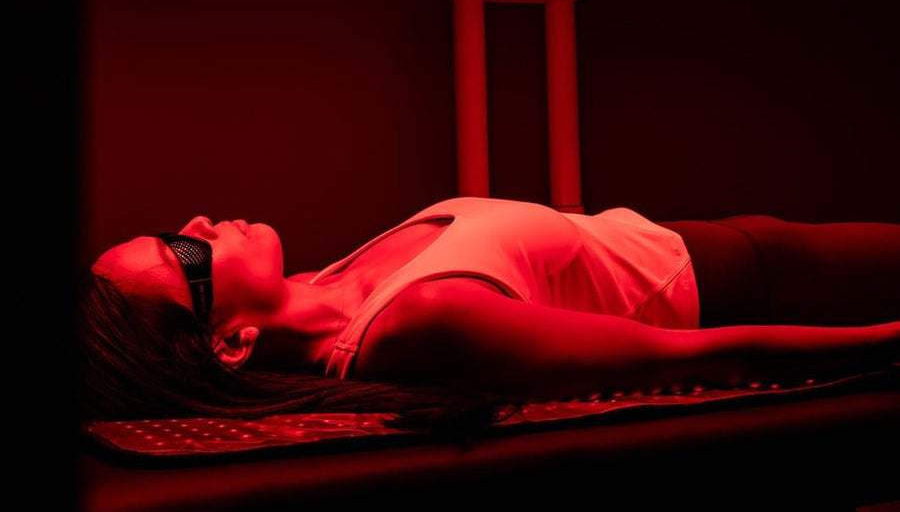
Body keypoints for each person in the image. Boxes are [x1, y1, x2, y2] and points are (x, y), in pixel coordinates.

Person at [79, 196, 900, 432]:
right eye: (183, 257)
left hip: (737, 241)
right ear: (229, 341)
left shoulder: (321, 279)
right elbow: (685, 359)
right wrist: (886, 344)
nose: (193, 225)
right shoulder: (418, 322)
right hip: (757, 284)